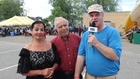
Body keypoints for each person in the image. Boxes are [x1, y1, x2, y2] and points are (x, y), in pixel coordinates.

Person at [74, 4, 122, 79]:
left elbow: (115, 56)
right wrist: (76, 75)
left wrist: (96, 43)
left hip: (108, 76)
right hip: (89, 76)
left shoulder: (113, 32)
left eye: (97, 15)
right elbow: (81, 55)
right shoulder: (86, 35)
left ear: (102, 15)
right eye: (91, 16)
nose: (94, 18)